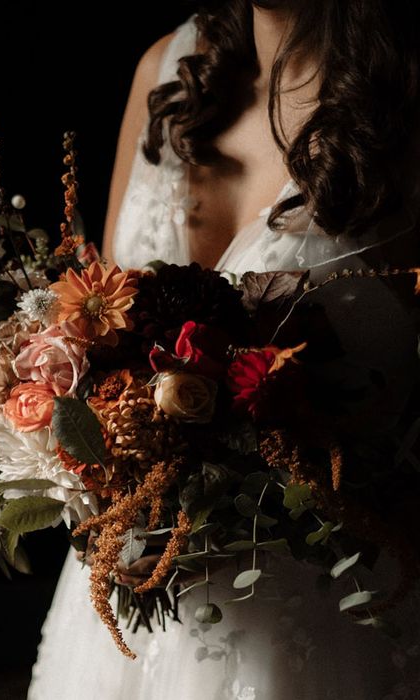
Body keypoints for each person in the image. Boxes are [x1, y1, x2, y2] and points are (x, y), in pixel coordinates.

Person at [27, 2, 420, 698]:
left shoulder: (404, 103)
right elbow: (95, 301)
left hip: (327, 605)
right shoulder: (164, 70)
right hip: (135, 590)